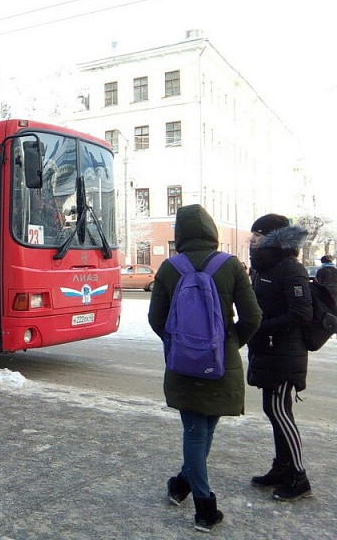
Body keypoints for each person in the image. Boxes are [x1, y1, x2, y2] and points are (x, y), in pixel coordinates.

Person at [148, 204, 261, 532]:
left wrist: (179, 345)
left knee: (197, 431)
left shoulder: (170, 268)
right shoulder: (231, 266)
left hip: (183, 366)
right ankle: (204, 509)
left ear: (179, 234)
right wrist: (227, 345)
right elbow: (253, 317)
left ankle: (183, 485)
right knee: (203, 430)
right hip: (220, 366)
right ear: (211, 231)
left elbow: (157, 319)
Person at [247, 213, 313, 501]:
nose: (252, 242)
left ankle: (299, 476)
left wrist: (263, 328)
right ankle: (282, 467)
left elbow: (301, 313)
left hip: (285, 353)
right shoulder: (263, 268)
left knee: (280, 412)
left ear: (272, 238)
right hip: (267, 350)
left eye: (257, 237)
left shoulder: (291, 269)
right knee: (273, 411)